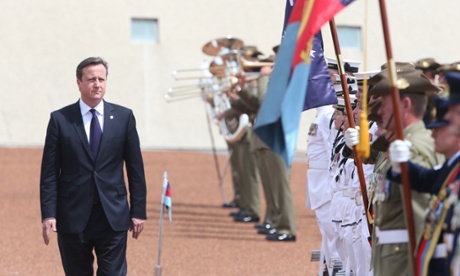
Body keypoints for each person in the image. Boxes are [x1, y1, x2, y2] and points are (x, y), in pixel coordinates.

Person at [40, 57, 147, 276]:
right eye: (91, 79)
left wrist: (138, 211)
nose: (97, 84)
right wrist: (48, 214)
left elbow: (135, 168)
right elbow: (49, 172)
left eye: (101, 79)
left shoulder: (124, 117)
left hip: (113, 215)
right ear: (79, 82)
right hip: (72, 215)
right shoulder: (60, 119)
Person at [364, 68, 443, 275]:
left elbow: (423, 223)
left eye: (386, 105)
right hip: (393, 260)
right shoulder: (402, 145)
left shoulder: (413, 149)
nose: (380, 112)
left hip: (404, 264)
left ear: (405, 105)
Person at [387, 96, 459, 275]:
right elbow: (427, 180)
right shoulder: (452, 166)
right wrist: (401, 165)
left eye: (441, 128)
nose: (432, 134)